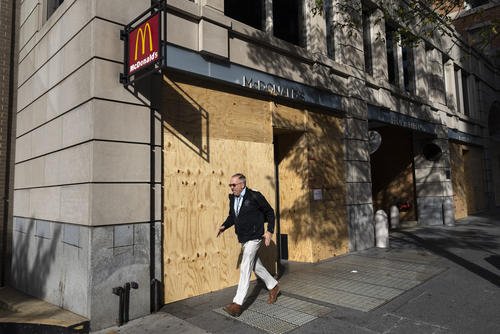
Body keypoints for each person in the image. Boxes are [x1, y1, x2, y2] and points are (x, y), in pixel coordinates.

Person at [216, 173, 280, 317]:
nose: (231, 188)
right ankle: (273, 285)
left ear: (242, 184)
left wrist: (269, 231)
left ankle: (237, 304)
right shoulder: (232, 198)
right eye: (230, 185)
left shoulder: (255, 196)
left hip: (255, 237)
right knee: (256, 266)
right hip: (244, 238)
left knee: (245, 266)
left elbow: (270, 213)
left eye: (234, 185)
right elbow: (233, 216)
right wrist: (224, 226)